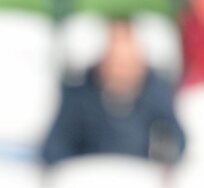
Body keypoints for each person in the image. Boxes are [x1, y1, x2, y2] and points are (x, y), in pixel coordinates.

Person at [42, 19, 185, 166]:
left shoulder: (157, 95)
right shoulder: (78, 97)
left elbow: (176, 143)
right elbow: (54, 148)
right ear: (102, 62)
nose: (121, 72)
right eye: (116, 63)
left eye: (127, 64)